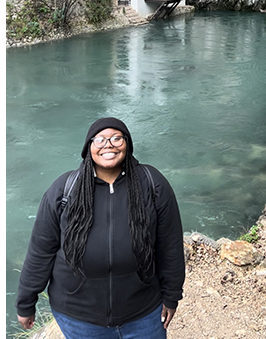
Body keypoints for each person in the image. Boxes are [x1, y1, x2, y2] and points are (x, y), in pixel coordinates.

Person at [16, 117, 186, 338]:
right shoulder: (64, 190)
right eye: (100, 139)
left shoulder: (152, 184)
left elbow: (170, 245)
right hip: (79, 315)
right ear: (89, 148)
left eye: (117, 138)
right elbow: (41, 250)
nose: (109, 145)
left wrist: (172, 296)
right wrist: (26, 302)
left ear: (127, 144)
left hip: (143, 311)